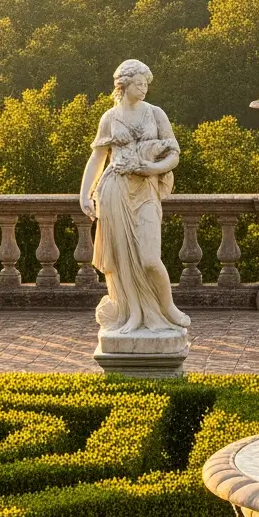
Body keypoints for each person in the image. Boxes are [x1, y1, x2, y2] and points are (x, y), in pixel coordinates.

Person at [79, 60, 189, 339]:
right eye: (140, 83)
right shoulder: (110, 118)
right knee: (122, 261)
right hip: (115, 191)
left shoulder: (155, 114)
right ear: (124, 85)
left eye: (146, 84)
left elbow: (174, 154)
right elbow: (98, 158)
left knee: (150, 259)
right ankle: (131, 313)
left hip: (146, 191)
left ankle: (167, 308)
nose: (144, 88)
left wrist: (152, 169)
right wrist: (84, 193)